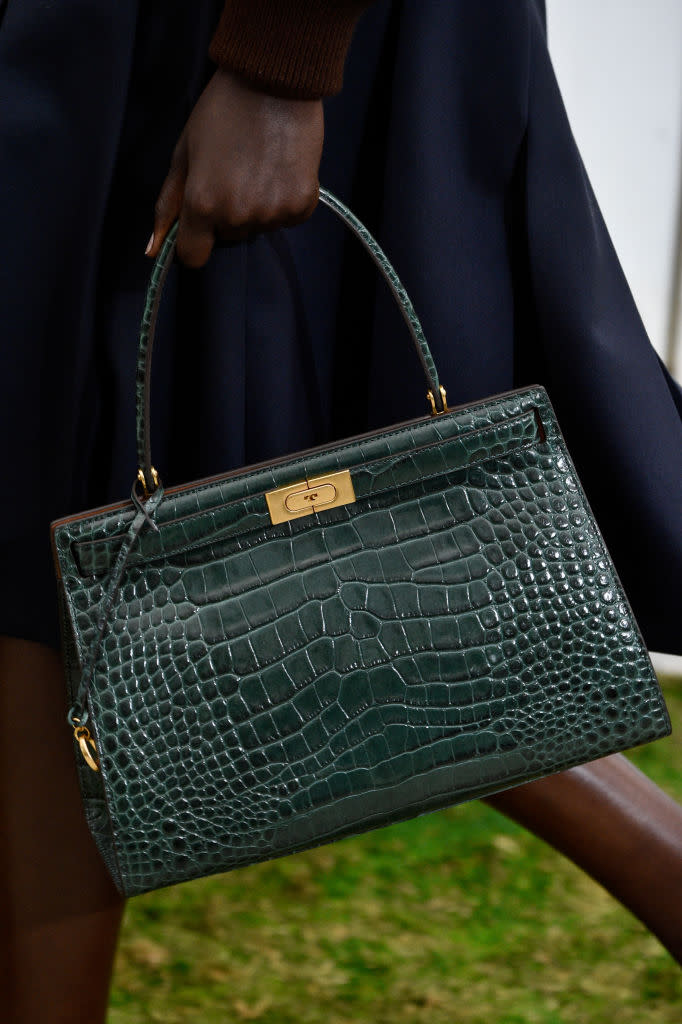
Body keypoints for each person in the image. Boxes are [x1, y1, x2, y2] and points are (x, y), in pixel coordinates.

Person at [1, 1, 681, 1020]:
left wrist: (281, 62)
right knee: (57, 523)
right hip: (128, 46)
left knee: (334, 509)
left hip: (252, 41)